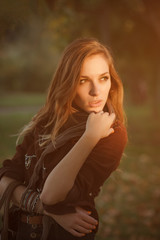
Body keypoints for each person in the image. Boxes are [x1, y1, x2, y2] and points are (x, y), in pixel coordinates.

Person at [0, 38, 127, 240]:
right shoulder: (47, 121)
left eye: (103, 78)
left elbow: (52, 195)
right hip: (20, 233)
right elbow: (4, 180)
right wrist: (46, 209)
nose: (96, 91)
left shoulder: (111, 134)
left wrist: (90, 136)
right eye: (82, 80)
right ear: (67, 82)